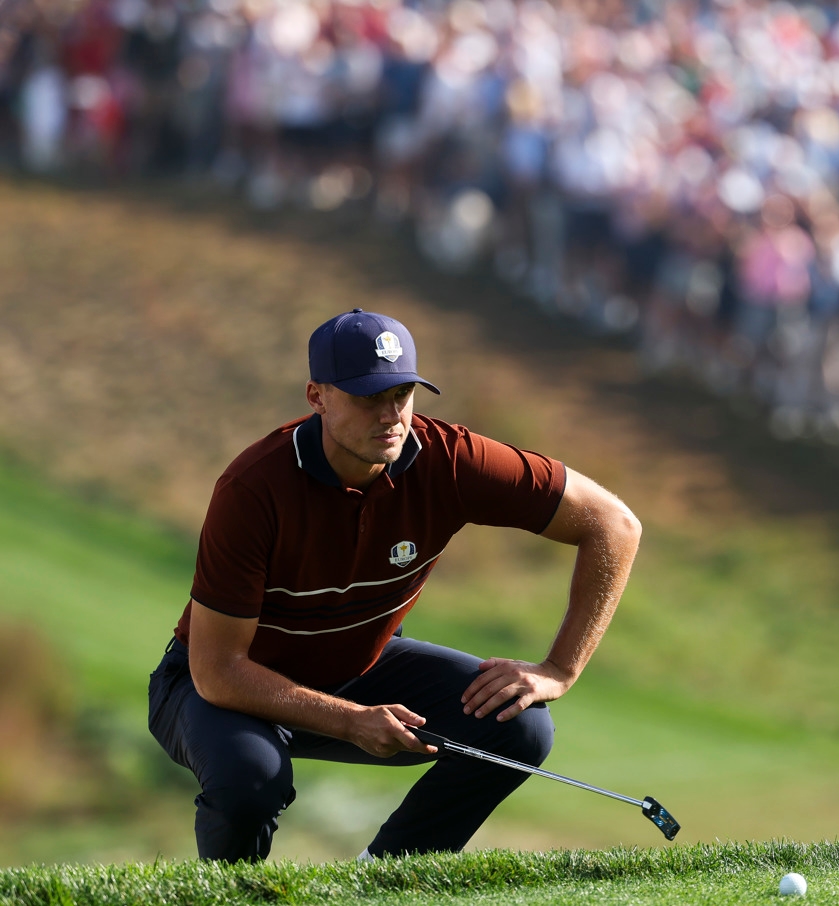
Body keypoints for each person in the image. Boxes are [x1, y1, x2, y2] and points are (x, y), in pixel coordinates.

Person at [147, 308, 641, 861]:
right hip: (217, 689)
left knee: (518, 727)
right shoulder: (254, 488)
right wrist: (350, 721)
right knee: (250, 782)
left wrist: (558, 669)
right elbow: (217, 671)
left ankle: (378, 885)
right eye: (367, 398)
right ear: (317, 397)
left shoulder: (449, 460)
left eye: (402, 394)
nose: (390, 416)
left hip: (357, 674)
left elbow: (613, 526)